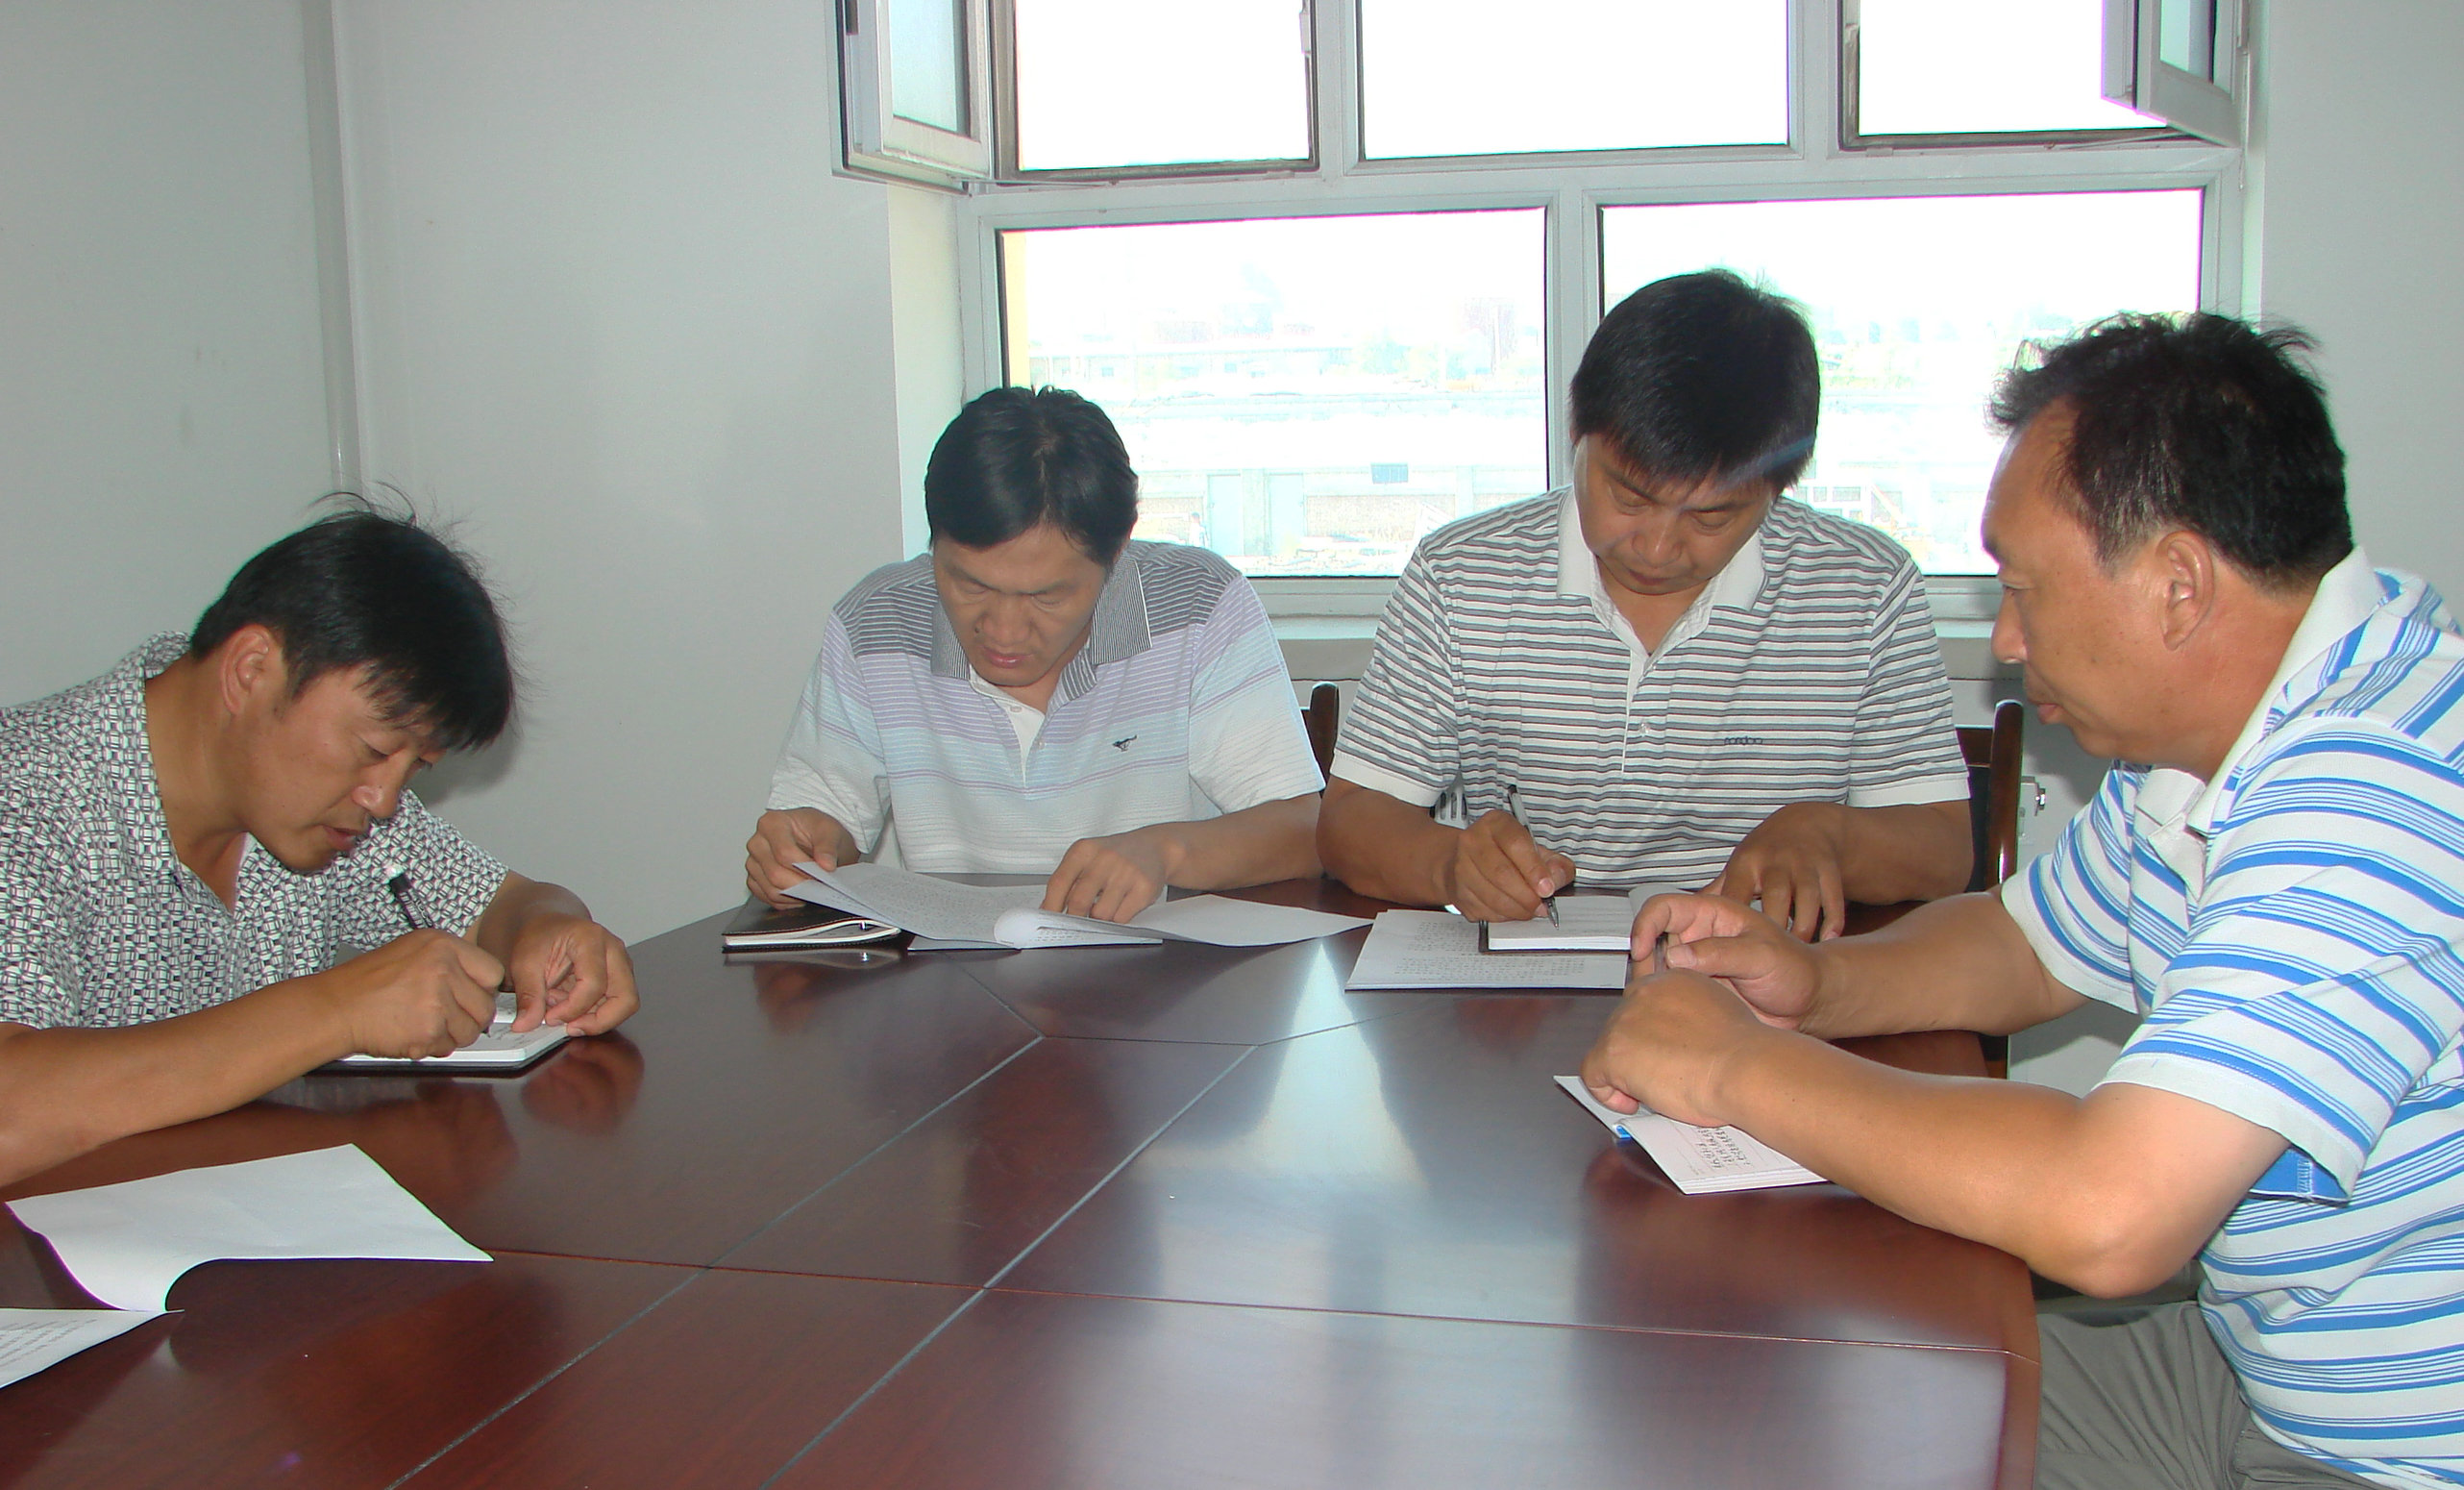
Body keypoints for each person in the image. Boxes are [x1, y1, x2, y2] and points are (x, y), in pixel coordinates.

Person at [1584, 313, 2462, 1490]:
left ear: (2177, 587)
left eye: (2022, 589)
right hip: (2258, 1367)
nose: (2004, 639)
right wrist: (1815, 983)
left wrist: (1735, 1065)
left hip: (2395, 1446)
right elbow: (2025, 943)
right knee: (1836, 1411)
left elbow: (2111, 1212)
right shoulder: (2229, 732)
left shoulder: (2373, 783)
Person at [1319, 270, 1973, 938]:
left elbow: (1942, 849)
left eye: (1711, 517)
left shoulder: (1865, 590)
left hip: (1756, 969)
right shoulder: (1460, 575)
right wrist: (1450, 866)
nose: (1657, 549)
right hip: (1525, 969)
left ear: (1779, 488)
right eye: (1628, 498)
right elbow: (1351, 822)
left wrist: (1829, 836)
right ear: (1577, 434)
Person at [0, 509, 638, 1185]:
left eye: (414, 768)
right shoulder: (27, 798)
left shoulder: (320, 805)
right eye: (374, 749)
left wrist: (548, 929)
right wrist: (336, 1010)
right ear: (251, 670)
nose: (384, 800)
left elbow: (503, 905)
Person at [747, 385, 1323, 923]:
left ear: (1117, 550)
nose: (1003, 631)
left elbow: (1305, 833)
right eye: (969, 585)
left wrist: (1164, 850)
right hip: (956, 979)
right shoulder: (877, 622)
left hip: (1166, 977)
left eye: (1046, 597)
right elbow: (825, 829)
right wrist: (805, 852)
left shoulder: (1198, 605)